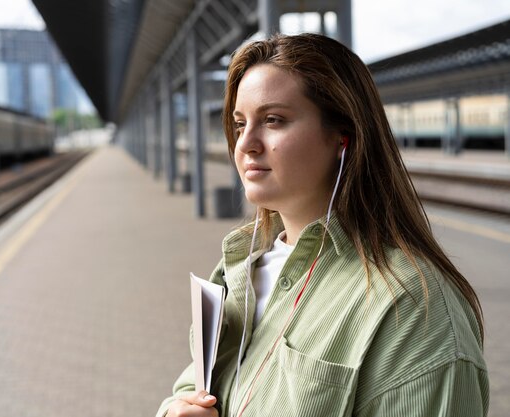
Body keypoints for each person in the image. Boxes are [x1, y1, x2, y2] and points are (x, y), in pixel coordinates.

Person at [156, 33, 488, 417]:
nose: (245, 143)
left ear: (342, 137)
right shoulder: (239, 271)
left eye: (273, 120)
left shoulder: (413, 308)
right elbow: (193, 386)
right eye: (240, 123)